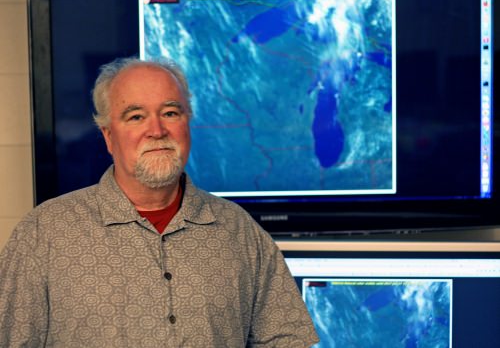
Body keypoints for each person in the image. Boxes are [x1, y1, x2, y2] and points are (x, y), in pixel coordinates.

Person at [0, 57, 319, 347]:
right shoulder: (43, 234)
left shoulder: (240, 232)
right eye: (136, 116)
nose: (156, 130)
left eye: (170, 113)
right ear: (109, 137)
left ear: (187, 125)